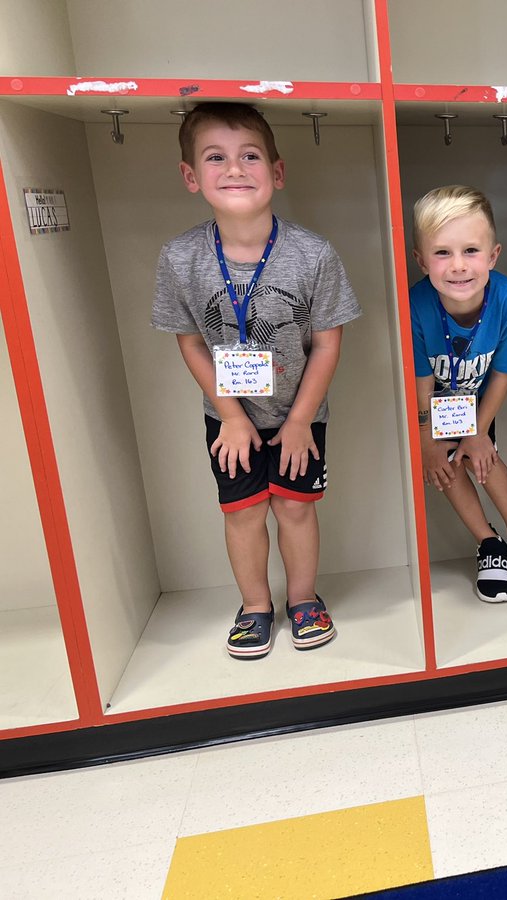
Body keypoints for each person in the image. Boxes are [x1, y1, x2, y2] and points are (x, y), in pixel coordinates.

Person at [153, 102, 361, 659]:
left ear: (277, 170)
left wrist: (300, 421)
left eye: (249, 156)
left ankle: (304, 600)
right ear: (191, 176)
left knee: (296, 508)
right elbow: (190, 341)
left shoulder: (313, 254)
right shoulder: (180, 257)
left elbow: (328, 343)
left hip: (301, 416)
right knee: (243, 512)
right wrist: (232, 416)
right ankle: (254, 608)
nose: (234, 169)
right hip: (228, 420)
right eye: (215, 158)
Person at [409, 185, 507, 603]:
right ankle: (488, 542)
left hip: (479, 400)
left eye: (471, 251)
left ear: (493, 255)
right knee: (446, 465)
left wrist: (477, 430)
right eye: (442, 253)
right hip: (433, 402)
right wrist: (427, 438)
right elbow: (420, 379)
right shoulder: (416, 304)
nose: (458, 266)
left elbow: (505, 372)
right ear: (421, 260)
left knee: (481, 455)